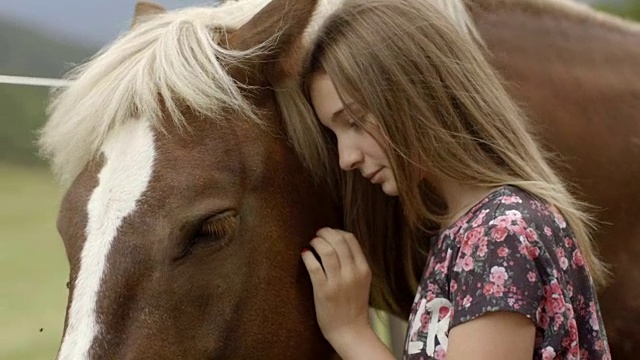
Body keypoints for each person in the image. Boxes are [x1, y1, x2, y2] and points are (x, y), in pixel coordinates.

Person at [278, 0, 613, 359]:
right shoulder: (464, 232)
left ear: (418, 94)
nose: (347, 158)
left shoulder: (500, 236)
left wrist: (350, 332)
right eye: (335, 135)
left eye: (356, 121)